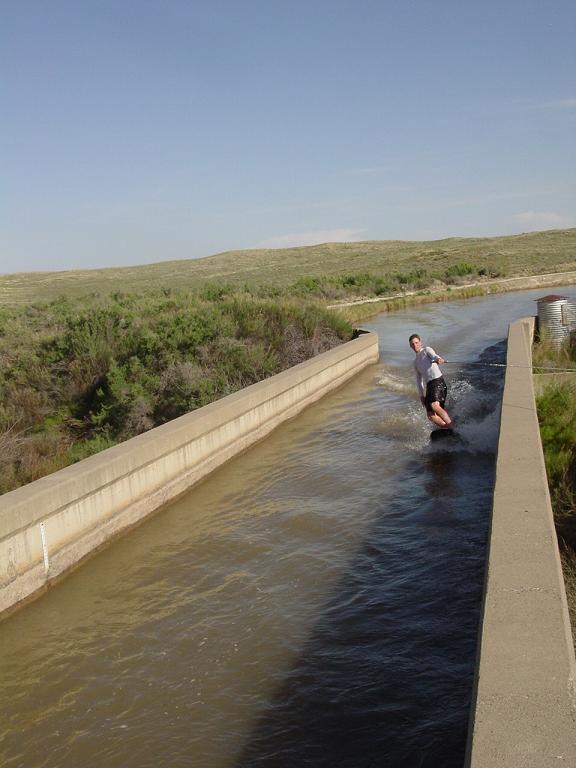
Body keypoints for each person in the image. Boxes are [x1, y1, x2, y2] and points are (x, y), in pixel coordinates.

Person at [409, 333, 452, 429]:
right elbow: (419, 381)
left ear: (420, 343)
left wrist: (438, 359)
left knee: (434, 405)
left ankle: (450, 425)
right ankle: (445, 427)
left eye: (416, 343)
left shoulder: (426, 350)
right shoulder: (415, 362)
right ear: (410, 346)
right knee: (430, 415)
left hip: (438, 382)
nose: (415, 345)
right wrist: (421, 396)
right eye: (412, 344)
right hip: (429, 386)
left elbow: (434, 356)